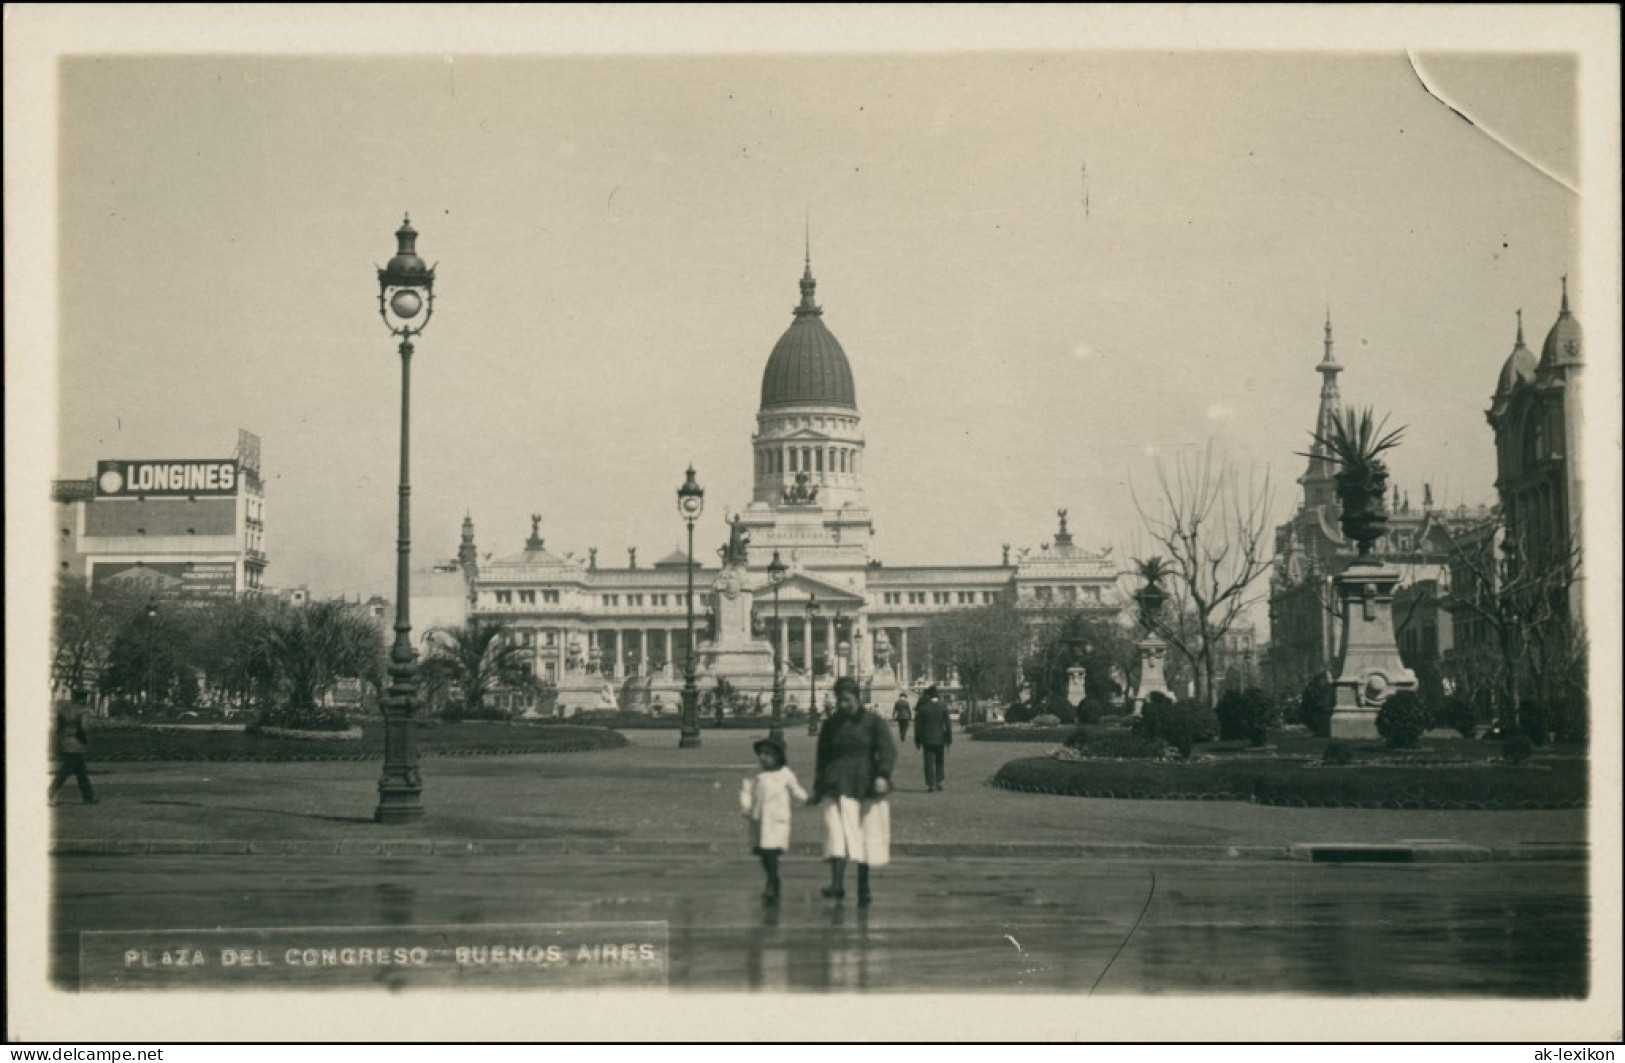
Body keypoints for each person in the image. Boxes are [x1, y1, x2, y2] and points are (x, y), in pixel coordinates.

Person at [809, 676, 896, 906]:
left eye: (846, 700)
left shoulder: (873, 722)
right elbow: (823, 756)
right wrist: (819, 786)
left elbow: (887, 750)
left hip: (865, 782)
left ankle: (863, 886)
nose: (842, 705)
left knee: (863, 836)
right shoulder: (831, 724)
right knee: (836, 834)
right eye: (839, 701)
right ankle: (836, 884)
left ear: (856, 698)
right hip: (836, 782)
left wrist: (882, 775)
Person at [740, 734, 808, 903]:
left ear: (778, 756)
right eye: (761, 754)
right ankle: (773, 878)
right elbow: (746, 790)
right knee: (763, 852)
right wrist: (746, 806)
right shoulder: (755, 774)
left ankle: (772, 881)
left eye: (768, 754)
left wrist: (808, 799)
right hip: (759, 818)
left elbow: (796, 790)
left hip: (778, 820)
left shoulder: (785, 774)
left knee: (772, 851)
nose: (763, 758)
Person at [49, 691, 99, 805]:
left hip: (65, 741)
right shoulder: (83, 710)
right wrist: (86, 740)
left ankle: (89, 796)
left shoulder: (64, 709)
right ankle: (49, 793)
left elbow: (58, 727)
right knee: (65, 772)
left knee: (81, 772)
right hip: (76, 743)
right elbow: (83, 727)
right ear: (83, 699)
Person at [914, 685, 952, 792]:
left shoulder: (923, 709)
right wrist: (949, 739)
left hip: (927, 739)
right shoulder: (943, 707)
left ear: (929, 696)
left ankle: (931, 784)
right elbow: (948, 725)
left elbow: (918, 727)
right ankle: (939, 782)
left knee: (928, 761)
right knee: (940, 760)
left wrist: (917, 740)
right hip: (940, 738)